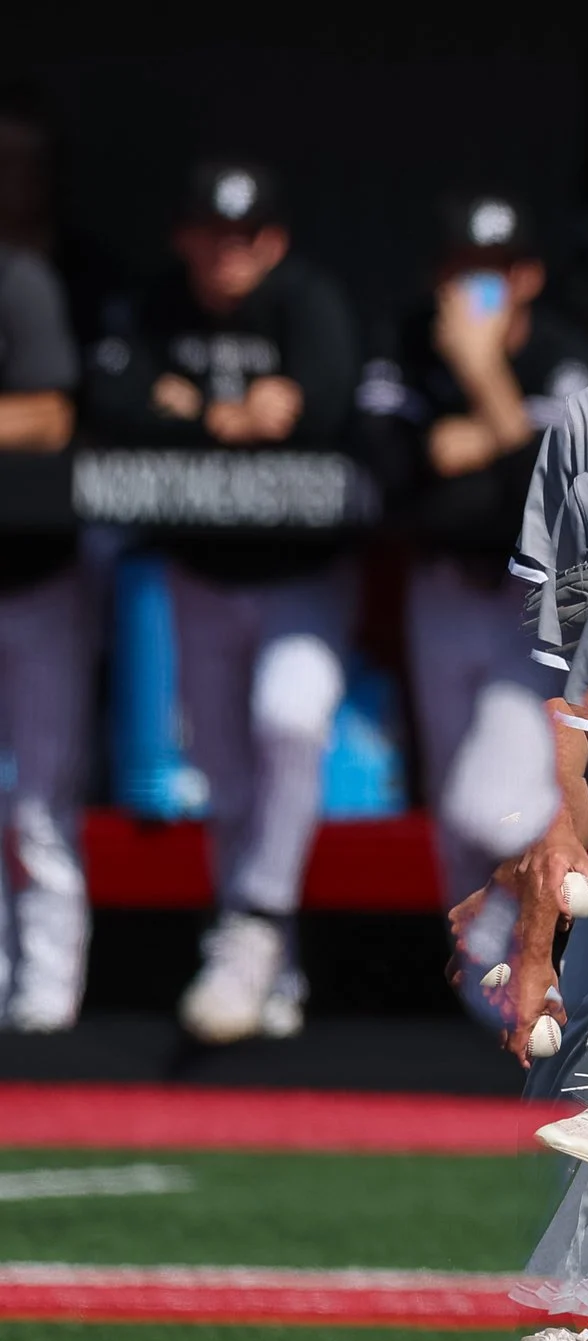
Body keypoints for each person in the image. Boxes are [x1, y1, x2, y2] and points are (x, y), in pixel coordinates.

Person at [84, 160, 360, 1044]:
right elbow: (114, 398)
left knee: (290, 718)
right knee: (226, 774)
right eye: (210, 236)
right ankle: (262, 957)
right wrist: (218, 415)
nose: (224, 254)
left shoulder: (308, 301)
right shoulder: (158, 304)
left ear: (271, 241)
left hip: (302, 577)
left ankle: (259, 923)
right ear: (184, 237)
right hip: (199, 576)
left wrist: (194, 403)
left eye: (242, 238)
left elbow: (329, 405)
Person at [360, 193, 588, 908]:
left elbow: (563, 490)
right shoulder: (403, 339)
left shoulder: (563, 350)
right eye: (462, 271)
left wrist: (484, 384)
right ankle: (489, 984)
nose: (474, 290)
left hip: (535, 602)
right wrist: (497, 433)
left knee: (486, 796)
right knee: (450, 804)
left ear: (526, 277)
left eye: (492, 273)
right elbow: (386, 468)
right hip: (440, 584)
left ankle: (558, 921)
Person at [0, 230, 84, 1031]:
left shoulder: (17, 279)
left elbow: (49, 413)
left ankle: (45, 998)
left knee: (39, 802)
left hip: (34, 581)